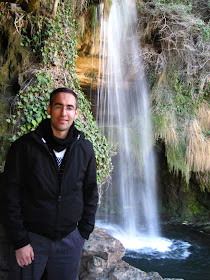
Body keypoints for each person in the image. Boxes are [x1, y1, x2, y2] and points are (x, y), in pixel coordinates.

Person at [4, 87, 98, 280]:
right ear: (49, 109)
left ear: (76, 113)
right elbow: (9, 197)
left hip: (70, 241)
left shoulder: (85, 150)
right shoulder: (24, 147)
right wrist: (20, 241)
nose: (64, 113)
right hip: (32, 240)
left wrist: (82, 234)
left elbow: (90, 193)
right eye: (58, 106)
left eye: (69, 108)